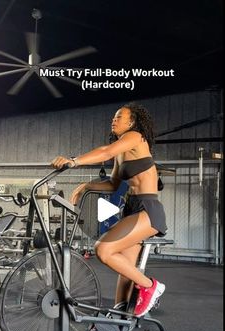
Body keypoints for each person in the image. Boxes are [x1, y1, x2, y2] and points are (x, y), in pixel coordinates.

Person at [51, 103, 167, 317]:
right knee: (126, 269)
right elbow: (113, 185)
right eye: (113, 117)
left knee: (103, 250)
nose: (114, 120)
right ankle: (120, 315)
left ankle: (150, 286)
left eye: (119, 116)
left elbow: (105, 151)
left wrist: (73, 161)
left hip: (147, 209)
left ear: (131, 122)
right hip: (132, 208)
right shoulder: (122, 153)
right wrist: (87, 185)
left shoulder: (135, 136)